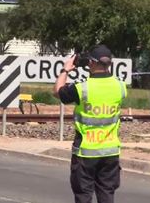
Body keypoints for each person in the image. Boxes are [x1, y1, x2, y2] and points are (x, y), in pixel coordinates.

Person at [53, 44, 127, 203]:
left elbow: (57, 91)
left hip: (85, 153)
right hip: (110, 152)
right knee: (107, 194)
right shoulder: (120, 87)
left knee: (83, 195)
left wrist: (65, 70)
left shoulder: (82, 88)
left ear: (91, 63)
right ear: (110, 64)